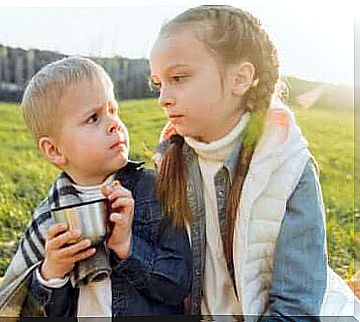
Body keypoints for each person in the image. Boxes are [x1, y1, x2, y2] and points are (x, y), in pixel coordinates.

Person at [149, 5, 359, 321]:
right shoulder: (169, 159)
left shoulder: (288, 167)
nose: (163, 97)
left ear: (240, 78)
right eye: (158, 83)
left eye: (179, 77)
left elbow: (296, 306)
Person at [0, 56, 192, 319]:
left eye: (113, 110)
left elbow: (180, 285)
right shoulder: (50, 218)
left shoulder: (153, 192)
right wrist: (52, 274)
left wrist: (128, 247)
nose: (114, 124)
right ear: (54, 150)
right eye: (93, 118)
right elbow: (29, 312)